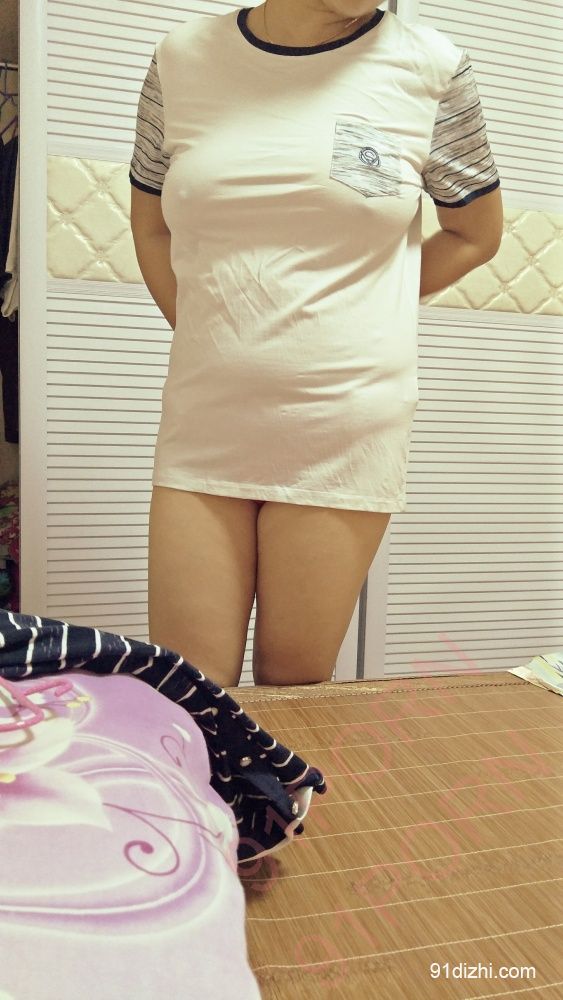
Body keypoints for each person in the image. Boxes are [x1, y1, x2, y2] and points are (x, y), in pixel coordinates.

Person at [129, 0, 502, 690]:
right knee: (188, 687)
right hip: (207, 413)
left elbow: (475, 235)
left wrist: (362, 304)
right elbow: (151, 226)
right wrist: (213, 330)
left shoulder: (432, 67)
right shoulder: (181, 59)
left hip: (342, 417)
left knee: (294, 683)